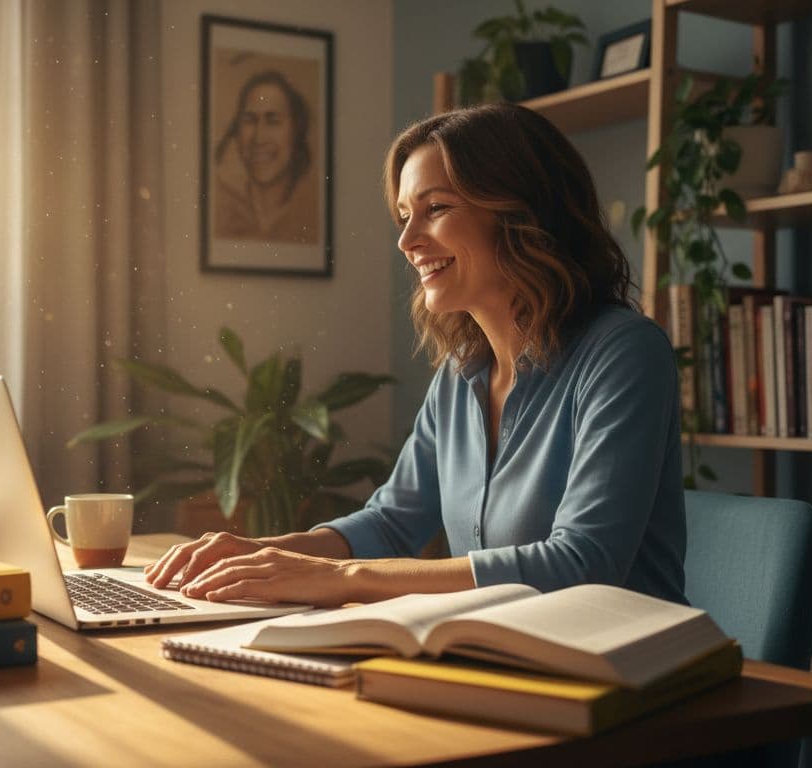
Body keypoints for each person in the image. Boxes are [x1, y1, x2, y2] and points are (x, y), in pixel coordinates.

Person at [149, 103, 685, 608]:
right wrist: (268, 554)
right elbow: (390, 523)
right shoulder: (460, 374)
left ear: (523, 214)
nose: (407, 240)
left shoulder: (624, 353)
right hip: (508, 661)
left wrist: (340, 577)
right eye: (404, 215)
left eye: (436, 209)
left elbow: (581, 563)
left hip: (637, 678)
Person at [212, 69, 318, 244]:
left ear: (296, 130)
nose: (259, 138)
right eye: (250, 120)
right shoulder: (220, 205)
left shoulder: (311, 211)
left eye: (273, 121)